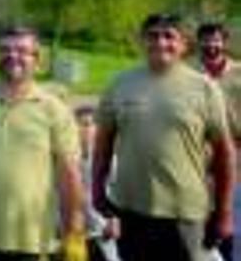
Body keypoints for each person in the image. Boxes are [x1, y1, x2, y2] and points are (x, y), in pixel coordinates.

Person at [93, 14, 235, 261]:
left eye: (169, 36)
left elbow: (225, 153)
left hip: (185, 213)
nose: (160, 42)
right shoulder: (120, 84)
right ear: (142, 41)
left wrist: (223, 213)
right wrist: (97, 189)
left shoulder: (204, 88)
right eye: (153, 36)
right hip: (131, 211)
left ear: (184, 44)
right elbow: (102, 145)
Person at [0, 26, 87, 261]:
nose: (12, 55)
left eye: (22, 51)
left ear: (37, 60)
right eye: (5, 49)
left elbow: (69, 175)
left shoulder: (54, 109)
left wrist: (74, 232)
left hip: (32, 238)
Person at [197, 22, 241, 261]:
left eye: (216, 40)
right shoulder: (189, 75)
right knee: (202, 216)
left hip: (236, 153)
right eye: (206, 40)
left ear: (224, 43)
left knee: (230, 215)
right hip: (200, 156)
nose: (211, 45)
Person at [74, 105, 119, 261]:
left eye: (90, 124)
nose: (85, 130)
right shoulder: (65, 160)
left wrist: (115, 220)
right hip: (73, 232)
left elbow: (118, 191)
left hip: (101, 231)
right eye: (80, 124)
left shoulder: (108, 159)